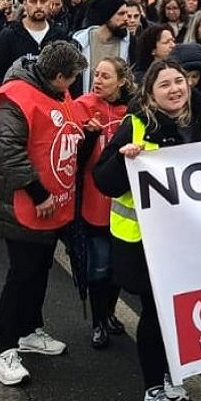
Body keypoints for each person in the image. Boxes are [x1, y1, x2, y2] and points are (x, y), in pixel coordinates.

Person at [93, 60, 201, 401]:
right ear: (150, 94)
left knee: (180, 310)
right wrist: (124, 160)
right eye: (164, 85)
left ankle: (172, 374)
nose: (174, 89)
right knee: (156, 314)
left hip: (193, 240)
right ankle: (153, 390)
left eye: (178, 82)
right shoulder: (136, 125)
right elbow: (103, 181)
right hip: (146, 243)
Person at [0, 42, 89, 386]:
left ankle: (29, 330)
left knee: (39, 268)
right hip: (23, 201)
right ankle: (4, 351)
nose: (73, 85)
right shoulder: (15, 98)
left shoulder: (56, 91)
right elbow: (8, 151)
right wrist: (38, 193)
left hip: (51, 202)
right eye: (72, 78)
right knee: (21, 273)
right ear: (58, 76)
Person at [72, 57, 136, 350]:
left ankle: (109, 313)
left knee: (117, 267)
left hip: (124, 200)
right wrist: (88, 137)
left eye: (105, 76)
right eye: (96, 74)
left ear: (121, 81)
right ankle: (98, 322)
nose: (97, 80)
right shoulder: (83, 106)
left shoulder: (132, 111)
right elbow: (73, 160)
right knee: (99, 264)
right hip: (94, 198)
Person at [0, 0, 68, 91]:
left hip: (52, 98)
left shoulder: (60, 35)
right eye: (33, 1)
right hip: (18, 97)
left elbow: (70, 73)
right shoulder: (8, 35)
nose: (38, 6)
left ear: (49, 4)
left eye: (43, 1)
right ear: (25, 4)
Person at [71, 0, 132, 95]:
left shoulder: (130, 43)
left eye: (126, 13)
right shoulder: (80, 43)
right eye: (121, 14)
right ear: (106, 16)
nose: (126, 18)